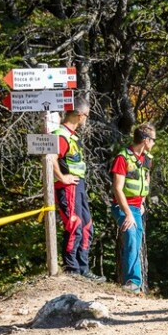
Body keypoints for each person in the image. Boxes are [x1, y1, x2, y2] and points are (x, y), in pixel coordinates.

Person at [51, 102, 106, 282]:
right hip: (68, 187)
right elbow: (51, 158)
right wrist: (62, 177)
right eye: (86, 116)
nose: (86, 120)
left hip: (78, 185)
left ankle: (83, 268)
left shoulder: (71, 136)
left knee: (87, 225)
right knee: (74, 224)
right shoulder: (61, 135)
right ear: (79, 115)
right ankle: (71, 268)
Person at [110, 123, 155, 294]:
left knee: (135, 241)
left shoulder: (147, 159)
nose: (154, 143)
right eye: (153, 140)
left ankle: (135, 285)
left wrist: (142, 202)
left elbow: (146, 181)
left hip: (137, 208)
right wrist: (128, 213)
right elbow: (117, 188)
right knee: (131, 237)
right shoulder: (123, 158)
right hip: (123, 206)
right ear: (145, 140)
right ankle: (133, 282)